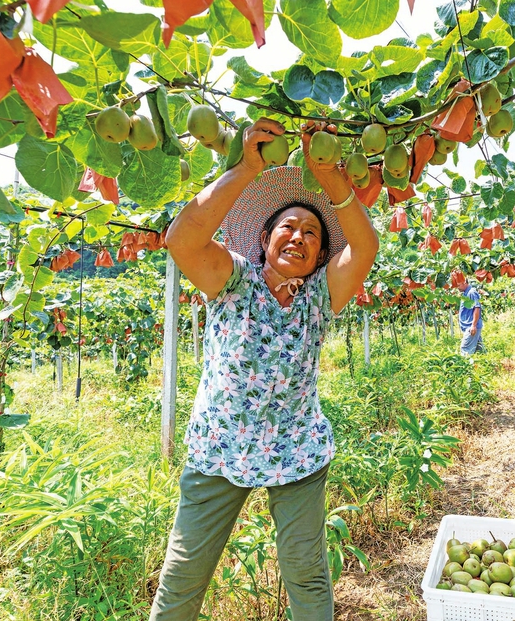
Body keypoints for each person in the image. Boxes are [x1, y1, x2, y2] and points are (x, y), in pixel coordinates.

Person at [150, 119, 379, 621]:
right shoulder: (233, 278)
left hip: (296, 450)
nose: (299, 237)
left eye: (312, 233)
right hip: (221, 446)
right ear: (265, 238)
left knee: (308, 574)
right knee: (184, 576)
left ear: (321, 254)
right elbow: (182, 241)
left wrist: (333, 179)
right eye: (288, 227)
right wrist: (246, 169)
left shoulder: (321, 294)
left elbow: (365, 248)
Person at [454, 271, 484, 355]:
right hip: (470, 326)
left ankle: (465, 367)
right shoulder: (466, 293)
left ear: (464, 283)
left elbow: (477, 308)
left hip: (471, 327)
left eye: (458, 285)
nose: (457, 287)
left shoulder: (471, 292)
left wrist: (473, 325)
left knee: (465, 349)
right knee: (479, 350)